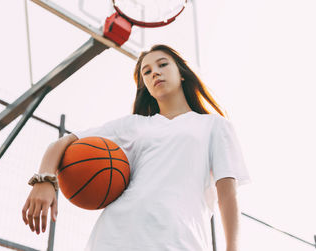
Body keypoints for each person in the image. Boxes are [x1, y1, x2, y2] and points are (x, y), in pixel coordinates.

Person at [22, 44, 251, 251]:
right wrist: (44, 181)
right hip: (114, 238)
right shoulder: (134, 125)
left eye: (162, 64)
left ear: (181, 74)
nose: (155, 73)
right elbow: (63, 142)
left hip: (179, 240)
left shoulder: (214, 125)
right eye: (147, 72)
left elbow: (227, 194)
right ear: (145, 86)